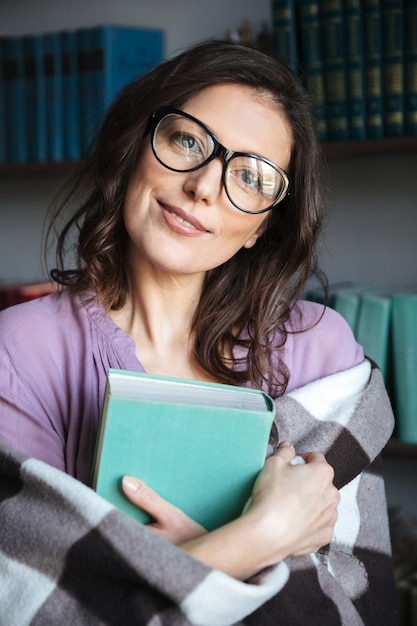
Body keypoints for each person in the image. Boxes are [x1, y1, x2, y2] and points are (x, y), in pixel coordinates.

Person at [0, 40, 396, 624]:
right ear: (137, 145)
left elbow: (359, 602)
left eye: (252, 178)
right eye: (187, 140)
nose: (205, 187)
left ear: (263, 227)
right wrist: (260, 537)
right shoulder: (20, 349)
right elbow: (33, 605)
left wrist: (182, 561)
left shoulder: (323, 351)